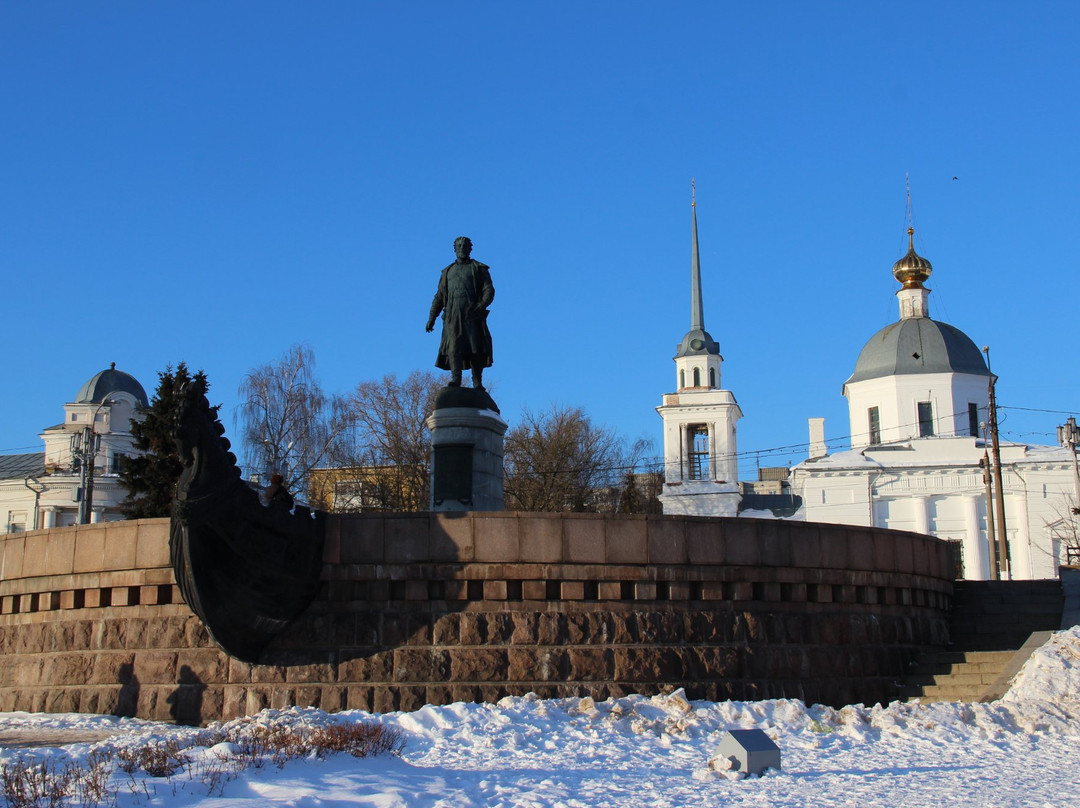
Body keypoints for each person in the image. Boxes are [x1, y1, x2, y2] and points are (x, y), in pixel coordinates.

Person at [425, 236, 495, 389]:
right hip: (453, 315)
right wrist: (432, 317)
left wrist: (481, 305)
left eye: (465, 245)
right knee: (454, 347)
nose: (462, 248)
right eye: (459, 245)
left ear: (470, 248)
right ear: (454, 248)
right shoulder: (447, 272)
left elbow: (488, 290)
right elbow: (439, 296)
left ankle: (477, 382)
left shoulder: (478, 268)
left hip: (472, 313)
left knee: (475, 347)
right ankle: (456, 379)